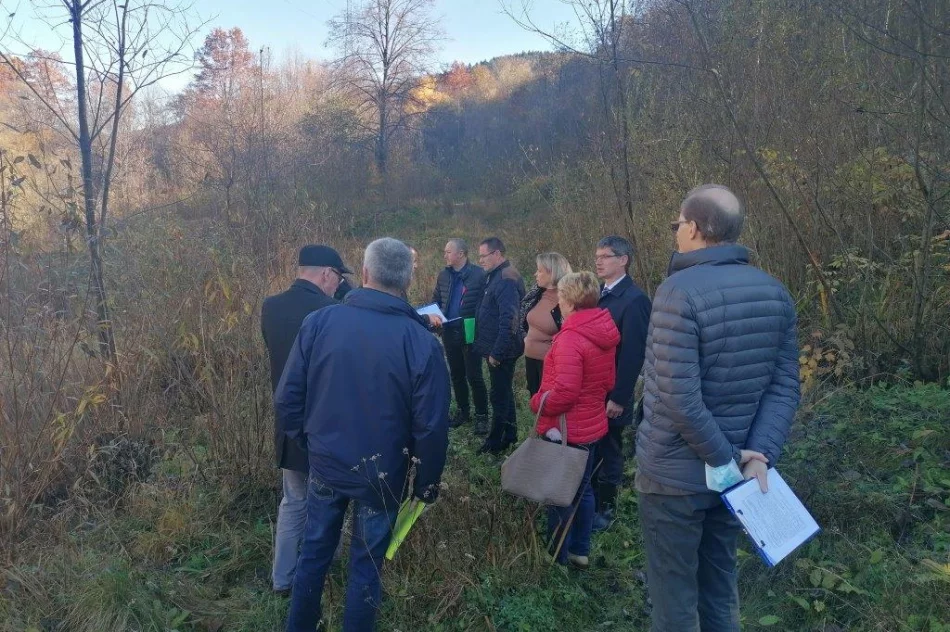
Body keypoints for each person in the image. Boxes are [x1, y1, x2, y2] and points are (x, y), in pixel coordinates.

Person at [636, 184, 800, 631]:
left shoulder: (677, 291)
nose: (675, 233)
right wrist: (757, 455)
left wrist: (725, 458)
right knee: (720, 589)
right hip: (739, 477)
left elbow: (678, 396)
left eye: (677, 224)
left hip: (674, 477)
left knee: (674, 601)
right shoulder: (775, 292)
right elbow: (784, 388)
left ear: (694, 227)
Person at [276, 238, 451, 632]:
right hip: (383, 474)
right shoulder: (422, 342)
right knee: (367, 565)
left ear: (366, 273)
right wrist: (426, 484)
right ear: (407, 280)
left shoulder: (319, 323)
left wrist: (309, 443)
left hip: (327, 464)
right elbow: (432, 426)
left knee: (314, 552)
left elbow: (288, 398)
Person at [261, 244, 349, 596]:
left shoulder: (270, 307)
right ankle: (329, 572)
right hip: (326, 428)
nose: (338, 286)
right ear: (327, 274)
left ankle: (282, 579)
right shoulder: (331, 312)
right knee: (331, 502)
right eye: (338, 279)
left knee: (293, 501)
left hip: (287, 423)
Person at [529, 271, 619, 569]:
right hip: (592, 424)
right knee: (583, 489)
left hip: (565, 430)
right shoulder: (602, 330)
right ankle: (580, 550)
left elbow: (565, 391)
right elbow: (607, 381)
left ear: (568, 300)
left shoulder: (571, 337)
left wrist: (538, 402)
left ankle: (557, 555)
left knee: (559, 492)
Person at [591, 236, 651, 531]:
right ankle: (589, 499)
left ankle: (607, 508)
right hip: (592, 388)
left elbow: (632, 354)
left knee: (610, 448)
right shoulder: (600, 293)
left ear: (623, 260)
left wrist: (619, 397)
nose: (598, 261)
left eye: (605, 256)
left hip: (613, 391)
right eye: (597, 256)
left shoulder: (635, 300)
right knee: (593, 444)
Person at [472, 237, 526, 454]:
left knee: (498, 396)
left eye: (483, 256)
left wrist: (497, 352)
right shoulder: (495, 275)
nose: (481, 260)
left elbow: (510, 320)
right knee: (503, 393)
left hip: (502, 350)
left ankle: (494, 442)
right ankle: (510, 434)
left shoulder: (506, 279)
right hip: (495, 346)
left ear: (497, 254)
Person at [431, 238, 489, 430]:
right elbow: (437, 300)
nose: (445, 255)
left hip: (470, 331)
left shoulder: (479, 275)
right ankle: (463, 412)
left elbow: (485, 305)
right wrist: (434, 318)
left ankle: (482, 416)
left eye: (448, 251)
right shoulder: (443, 275)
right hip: (449, 331)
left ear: (461, 254)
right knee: (456, 374)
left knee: (474, 375)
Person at [521, 252, 572, 396]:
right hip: (530, 358)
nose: (535, 274)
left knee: (548, 404)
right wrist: (525, 337)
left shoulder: (567, 299)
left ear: (552, 272)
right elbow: (523, 318)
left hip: (550, 364)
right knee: (535, 402)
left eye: (540, 270)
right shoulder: (536, 293)